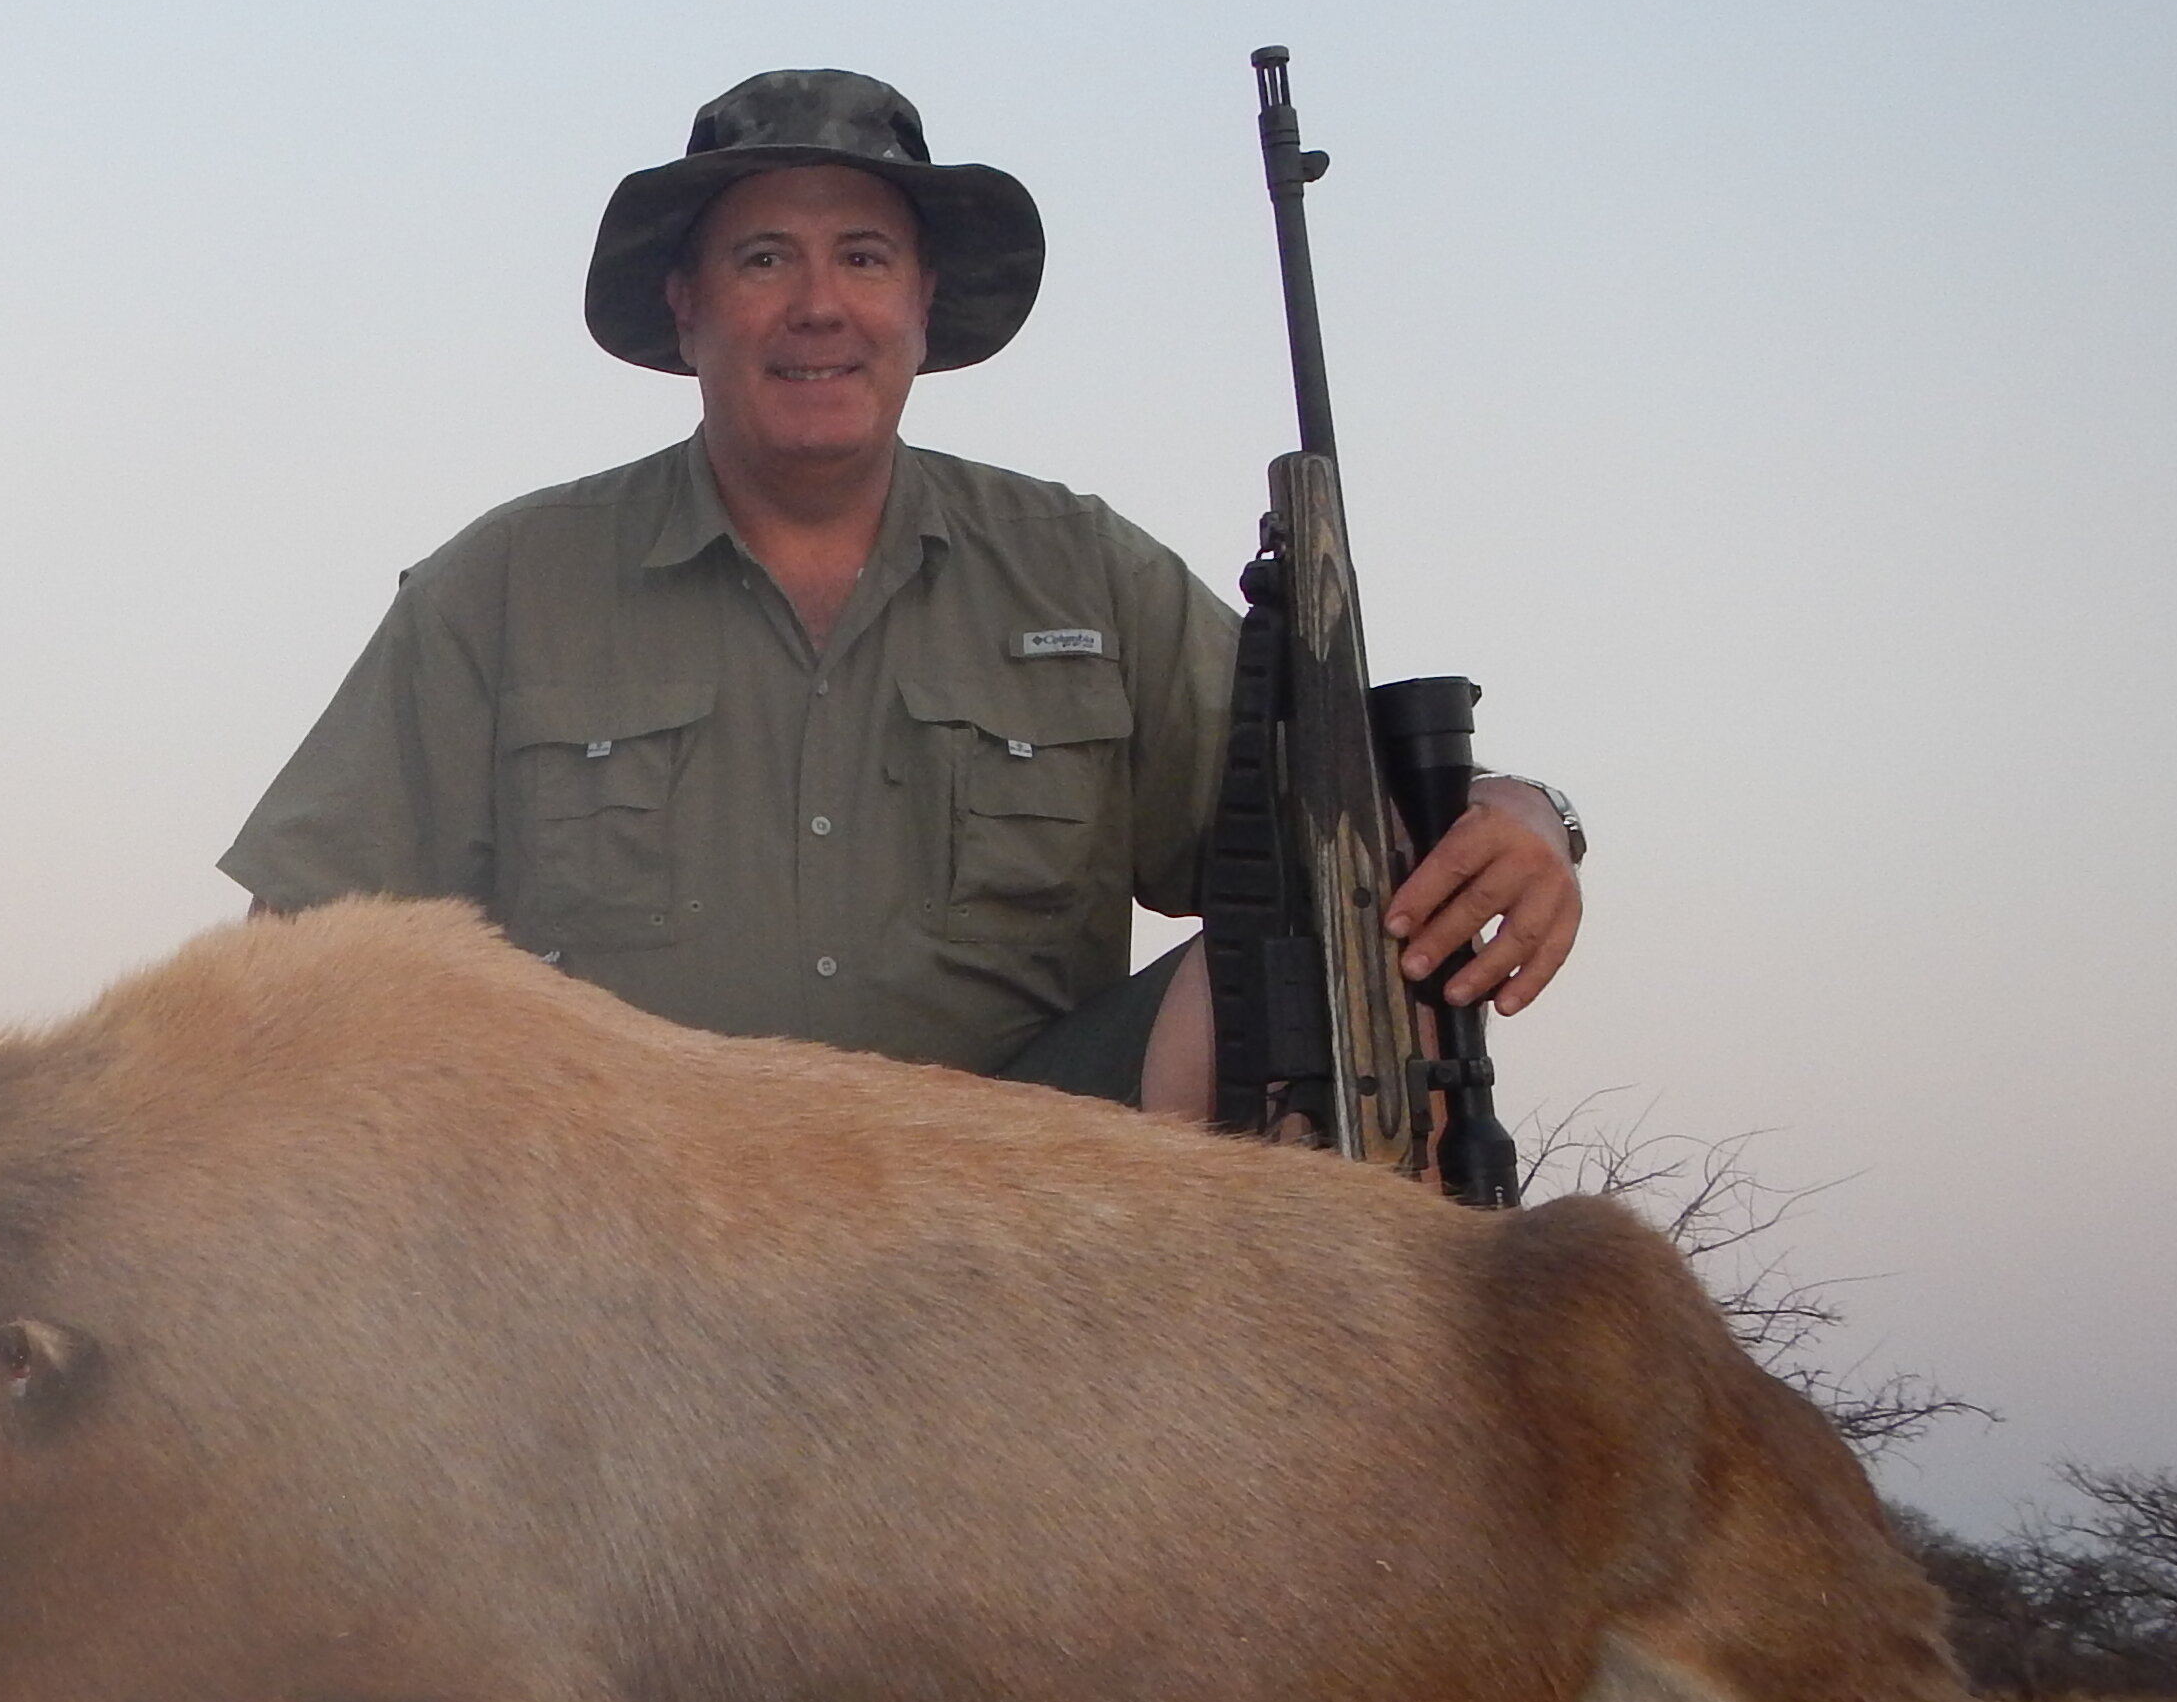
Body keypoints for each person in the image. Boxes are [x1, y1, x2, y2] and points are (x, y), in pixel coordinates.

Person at [221, 69, 1585, 1111]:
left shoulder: (1084, 571)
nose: (819, 305)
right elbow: (292, 959)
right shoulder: (505, 588)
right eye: (766, 259)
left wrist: (1527, 819)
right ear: (688, 308)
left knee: (1342, 962)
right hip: (616, 1248)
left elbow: (1359, 842)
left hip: (1019, 1236)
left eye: (862, 258)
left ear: (922, 306)